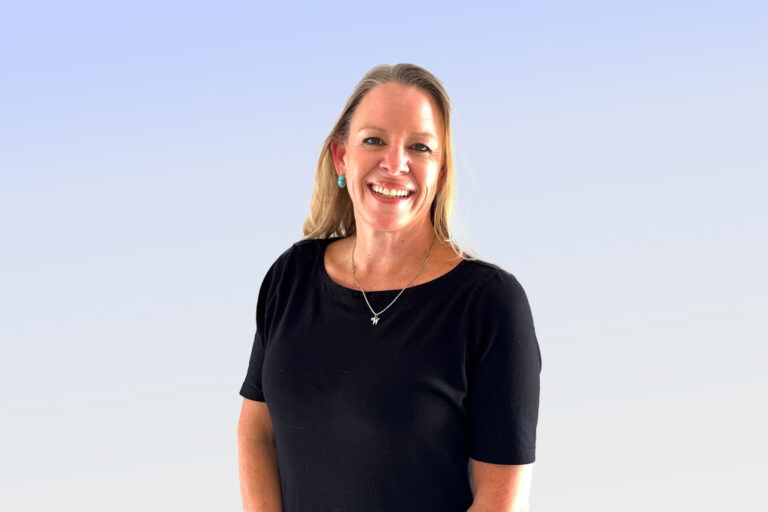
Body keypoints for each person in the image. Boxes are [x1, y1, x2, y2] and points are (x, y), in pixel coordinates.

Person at [237, 63, 542, 512]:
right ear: (342, 157)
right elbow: (256, 429)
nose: (394, 164)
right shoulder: (290, 277)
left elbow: (501, 500)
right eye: (374, 140)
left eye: (419, 147)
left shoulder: (491, 305)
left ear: (440, 171)